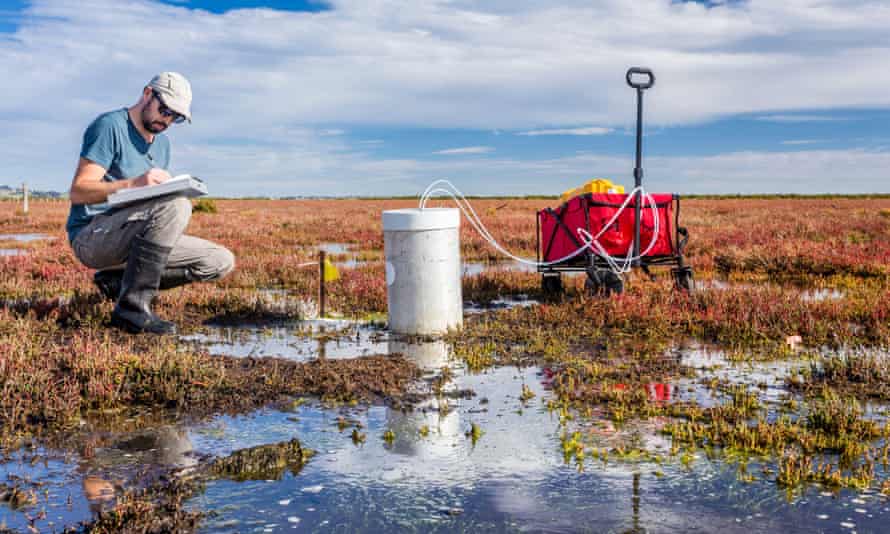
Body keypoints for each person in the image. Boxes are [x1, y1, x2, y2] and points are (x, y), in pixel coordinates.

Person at [66, 72, 235, 334]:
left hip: (133, 232)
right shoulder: (110, 126)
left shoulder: (162, 144)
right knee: (177, 205)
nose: (166, 120)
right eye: (165, 109)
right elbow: (78, 192)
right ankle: (131, 309)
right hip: (93, 236)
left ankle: (118, 282)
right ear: (147, 94)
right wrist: (134, 183)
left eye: (175, 117)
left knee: (220, 261)